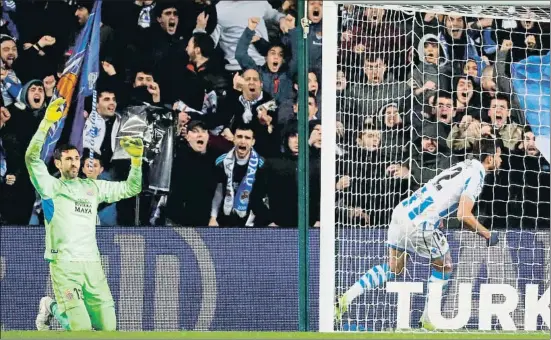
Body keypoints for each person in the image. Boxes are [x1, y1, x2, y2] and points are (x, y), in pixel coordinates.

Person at [335, 137, 502, 330]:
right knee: (445, 265)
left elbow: (440, 190)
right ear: (489, 158)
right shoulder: (478, 174)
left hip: (402, 212)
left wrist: (438, 215)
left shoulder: (463, 165)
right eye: (499, 156)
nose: (501, 161)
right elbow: (464, 214)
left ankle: (345, 298)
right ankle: (428, 322)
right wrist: (487, 234)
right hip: (419, 222)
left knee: (394, 268)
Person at [29, 98, 144, 331]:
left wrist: (136, 160)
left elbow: (132, 188)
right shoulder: (50, 187)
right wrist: (45, 124)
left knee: (108, 330)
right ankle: (51, 307)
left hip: (92, 264)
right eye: (68, 159)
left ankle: (49, 306)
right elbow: (31, 159)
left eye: (76, 158)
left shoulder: (93, 188)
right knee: (80, 330)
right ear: (58, 163)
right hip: (64, 264)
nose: (74, 162)